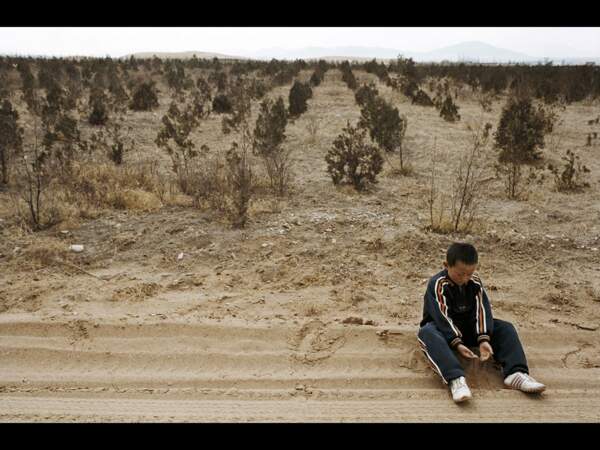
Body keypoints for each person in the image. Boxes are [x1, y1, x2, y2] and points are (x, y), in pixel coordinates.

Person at [417, 242, 546, 403]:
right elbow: (442, 316)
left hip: (468, 330)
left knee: (505, 328)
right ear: (446, 265)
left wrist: (483, 339)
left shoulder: (475, 282)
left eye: (469, 274)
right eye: (460, 274)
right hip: (443, 331)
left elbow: (482, 310)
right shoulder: (438, 284)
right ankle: (456, 379)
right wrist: (456, 343)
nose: (464, 279)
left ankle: (515, 374)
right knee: (427, 332)